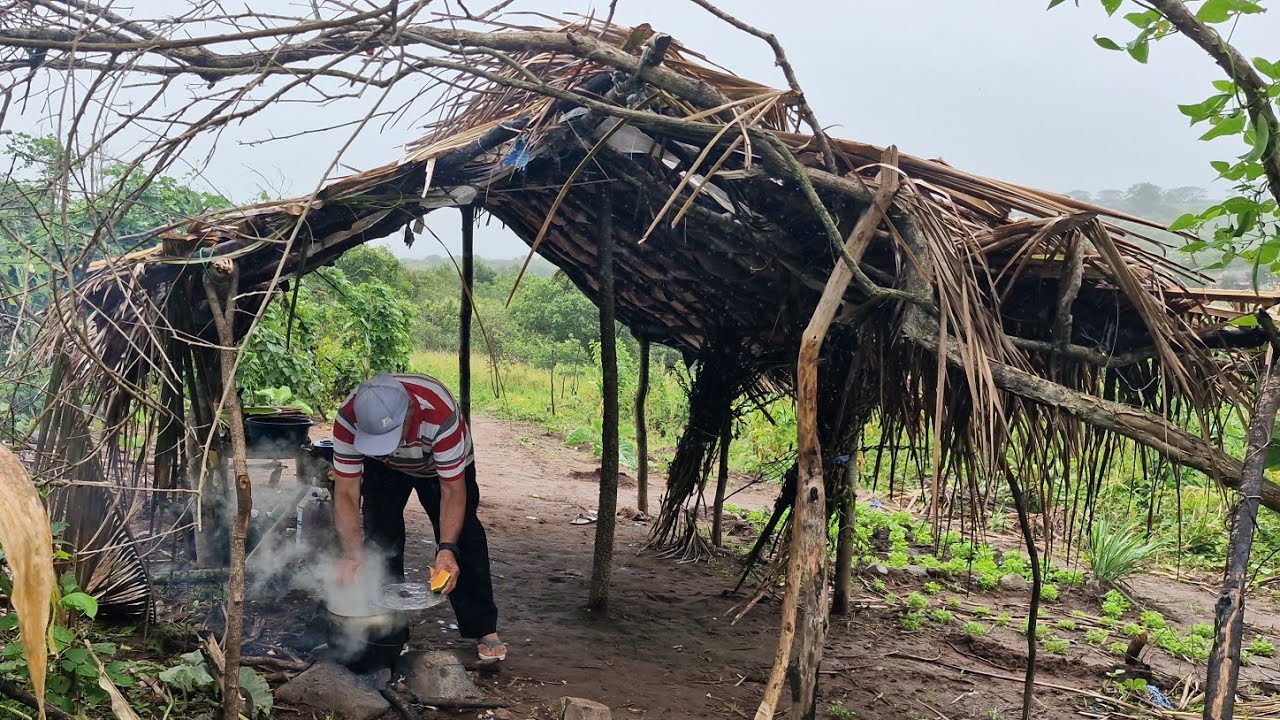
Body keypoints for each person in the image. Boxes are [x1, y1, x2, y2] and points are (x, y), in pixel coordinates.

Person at [329, 372, 506, 663]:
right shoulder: (349, 417)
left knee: (464, 539)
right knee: (379, 538)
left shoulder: (439, 412)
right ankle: (389, 630)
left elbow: (453, 490)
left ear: (410, 412)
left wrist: (446, 548)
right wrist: (351, 553)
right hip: (383, 466)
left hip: (439, 468)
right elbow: (346, 492)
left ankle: (483, 627)